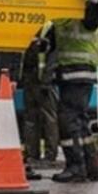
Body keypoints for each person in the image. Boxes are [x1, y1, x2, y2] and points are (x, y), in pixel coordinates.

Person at [43, 0, 98, 183]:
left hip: (77, 74)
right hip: (72, 76)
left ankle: (75, 167)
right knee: (80, 122)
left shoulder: (87, 14)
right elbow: (48, 43)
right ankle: (91, 167)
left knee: (68, 121)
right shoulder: (62, 19)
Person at [21, 27, 59, 166]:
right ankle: (32, 154)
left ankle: (49, 155)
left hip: (45, 80)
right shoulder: (28, 25)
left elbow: (54, 55)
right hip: (30, 78)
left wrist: (48, 78)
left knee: (48, 117)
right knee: (30, 117)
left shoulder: (49, 27)